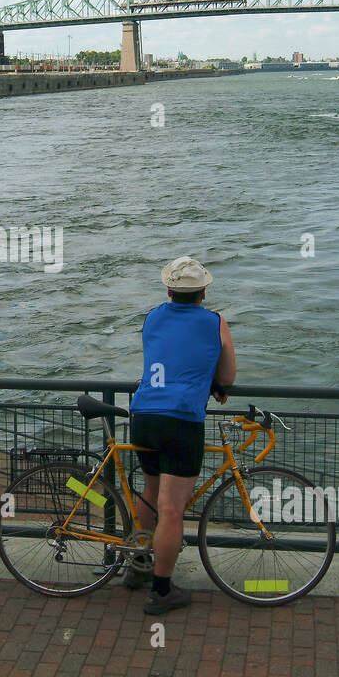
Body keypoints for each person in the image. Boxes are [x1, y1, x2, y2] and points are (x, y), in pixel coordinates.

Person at [126, 256, 236, 614]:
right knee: (172, 510)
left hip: (143, 413)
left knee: (150, 491)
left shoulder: (153, 317)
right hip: (181, 419)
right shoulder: (214, 321)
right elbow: (228, 375)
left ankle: (138, 563)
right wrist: (215, 384)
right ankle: (161, 591)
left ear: (169, 290)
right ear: (203, 292)